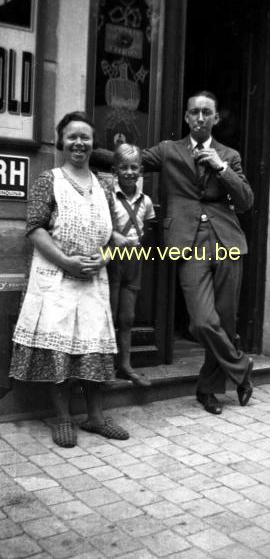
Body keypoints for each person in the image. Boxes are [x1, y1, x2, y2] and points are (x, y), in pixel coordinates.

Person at [93, 91, 254, 414]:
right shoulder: (169, 151)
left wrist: (221, 169)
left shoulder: (229, 155)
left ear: (215, 118)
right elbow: (126, 160)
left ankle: (207, 390)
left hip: (226, 244)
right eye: (194, 112)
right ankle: (240, 367)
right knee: (202, 321)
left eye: (206, 112)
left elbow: (246, 200)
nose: (200, 117)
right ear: (186, 117)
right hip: (188, 243)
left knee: (222, 319)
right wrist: (79, 152)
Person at [9, 111, 129, 447]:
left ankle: (95, 417)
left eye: (85, 137)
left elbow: (114, 237)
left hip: (93, 280)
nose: (79, 142)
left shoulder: (105, 186)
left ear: (93, 144)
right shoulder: (49, 180)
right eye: (73, 136)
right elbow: (34, 229)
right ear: (62, 141)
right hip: (57, 279)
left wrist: (102, 259)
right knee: (59, 349)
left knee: (93, 348)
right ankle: (62, 418)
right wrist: (67, 262)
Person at [109, 143, 155, 386]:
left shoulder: (146, 201)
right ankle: (106, 368)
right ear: (115, 169)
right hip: (112, 259)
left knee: (127, 316)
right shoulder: (108, 196)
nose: (129, 172)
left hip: (134, 260)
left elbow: (146, 228)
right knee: (110, 314)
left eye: (133, 167)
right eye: (123, 167)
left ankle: (125, 365)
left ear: (141, 170)